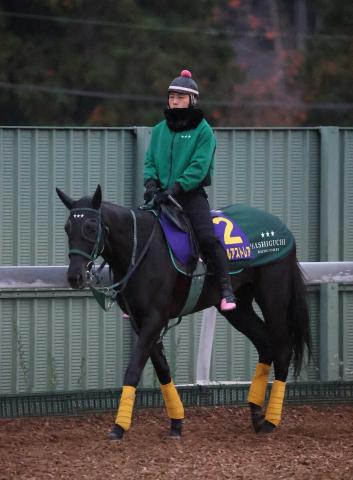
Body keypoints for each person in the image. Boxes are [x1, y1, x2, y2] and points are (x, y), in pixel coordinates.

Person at [144, 69, 236, 311]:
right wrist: (151, 184)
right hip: (162, 195)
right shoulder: (158, 130)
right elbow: (150, 161)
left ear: (192, 101)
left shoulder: (203, 131)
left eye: (180, 97)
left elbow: (199, 167)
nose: (174, 101)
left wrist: (176, 187)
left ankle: (227, 289)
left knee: (207, 238)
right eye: (172, 96)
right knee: (141, 233)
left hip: (190, 196)